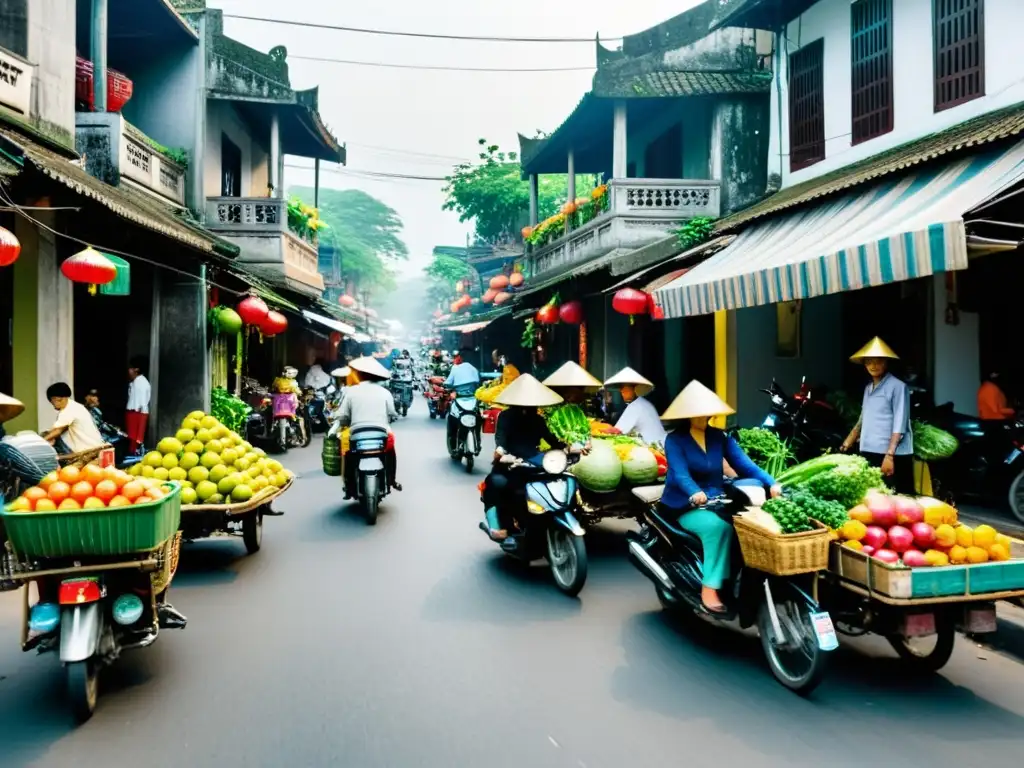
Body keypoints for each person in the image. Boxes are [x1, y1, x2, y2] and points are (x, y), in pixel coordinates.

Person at [659, 380, 782, 613]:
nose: (704, 414)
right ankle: (710, 587)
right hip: (684, 505)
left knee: (746, 526)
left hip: (717, 499)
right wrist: (695, 492)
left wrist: (771, 483)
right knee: (719, 529)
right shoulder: (675, 440)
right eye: (698, 410)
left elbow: (747, 466)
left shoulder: (720, 437)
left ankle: (734, 580)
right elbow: (680, 474)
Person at [481, 375, 566, 541]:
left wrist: (568, 448)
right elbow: (501, 440)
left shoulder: (537, 419)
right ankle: (502, 526)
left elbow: (553, 441)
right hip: (512, 462)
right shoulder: (506, 417)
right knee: (494, 484)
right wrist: (501, 452)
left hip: (534, 462)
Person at [840, 337, 914, 494]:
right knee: (874, 498)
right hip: (870, 449)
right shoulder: (868, 388)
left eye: (878, 361)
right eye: (869, 362)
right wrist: (849, 441)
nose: (873, 366)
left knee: (899, 499)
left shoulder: (898, 387)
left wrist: (890, 455)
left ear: (886, 362)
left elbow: (900, 423)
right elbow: (863, 417)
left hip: (891, 454)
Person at [336, 356, 401, 498]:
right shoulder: (385, 392)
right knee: (390, 453)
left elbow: (343, 415)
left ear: (358, 375)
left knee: (348, 456)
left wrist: (343, 423)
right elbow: (392, 413)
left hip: (357, 434)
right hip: (380, 433)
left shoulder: (350, 392)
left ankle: (349, 486)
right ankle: (392, 480)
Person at [605, 367, 667, 446]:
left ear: (635, 389)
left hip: (655, 448)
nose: (621, 391)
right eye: (621, 388)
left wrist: (597, 430)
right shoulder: (642, 403)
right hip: (659, 444)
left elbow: (616, 431)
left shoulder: (636, 406)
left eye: (624, 388)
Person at [41, 382, 105, 454]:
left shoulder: (68, 410)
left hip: (89, 450)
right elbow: (58, 429)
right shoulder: (74, 405)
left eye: (52, 402)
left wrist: (40, 441)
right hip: (95, 447)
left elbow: (57, 431)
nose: (53, 405)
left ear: (56, 399)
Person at [125, 356, 151, 453]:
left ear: (136, 370)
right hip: (133, 412)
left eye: (130, 369)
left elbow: (142, 401)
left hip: (137, 412)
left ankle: (135, 454)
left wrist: (137, 410)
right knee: (132, 437)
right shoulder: (135, 382)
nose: (129, 371)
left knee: (136, 438)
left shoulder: (141, 382)